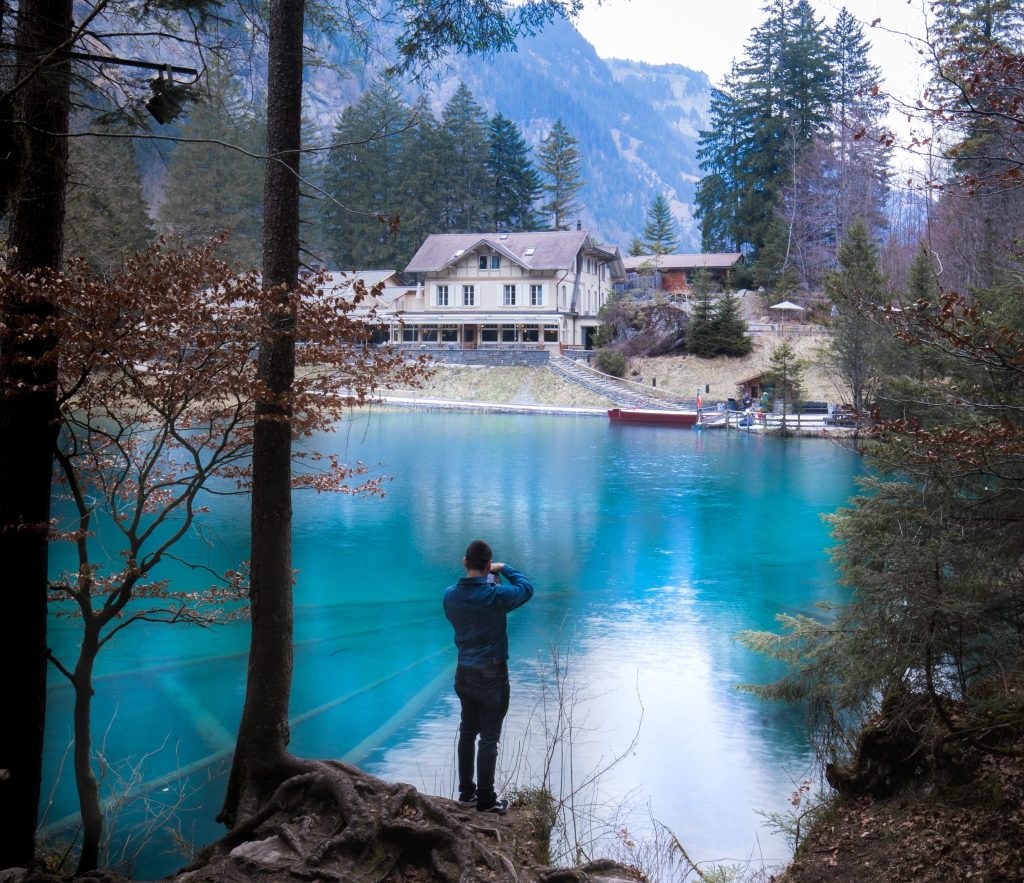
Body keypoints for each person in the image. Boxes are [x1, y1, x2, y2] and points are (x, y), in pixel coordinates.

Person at [443, 539, 534, 815]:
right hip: (492, 675)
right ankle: (486, 800)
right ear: (487, 565)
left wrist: (488, 578)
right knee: (489, 738)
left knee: (467, 731)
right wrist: (504, 567)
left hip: (464, 672)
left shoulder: (450, 595)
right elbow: (526, 588)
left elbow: (472, 602)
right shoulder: (496, 596)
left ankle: (466, 794)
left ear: (464, 562)